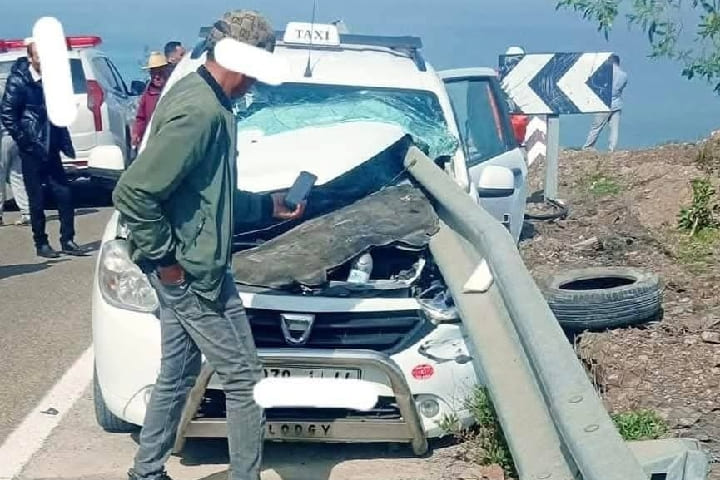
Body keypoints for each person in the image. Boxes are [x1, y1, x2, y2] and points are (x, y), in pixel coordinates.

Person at [113, 10, 303, 480]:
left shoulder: (202, 96)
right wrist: (166, 262)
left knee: (177, 374)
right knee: (244, 381)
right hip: (194, 276)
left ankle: (146, 472)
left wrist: (266, 207)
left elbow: (205, 194)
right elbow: (133, 192)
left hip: (190, 267)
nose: (257, 84)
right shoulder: (201, 113)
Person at [0, 40, 85, 258]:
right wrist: (24, 140)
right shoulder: (19, 81)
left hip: (53, 145)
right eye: (39, 56)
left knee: (64, 194)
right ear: (31, 58)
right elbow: (8, 114)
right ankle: (41, 243)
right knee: (36, 198)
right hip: (31, 148)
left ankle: (68, 240)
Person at [583, 54, 628, 152]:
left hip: (604, 103)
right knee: (614, 128)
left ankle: (588, 146)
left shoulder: (604, 72)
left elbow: (594, 84)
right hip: (617, 104)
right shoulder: (624, 75)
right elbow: (621, 88)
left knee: (596, 127)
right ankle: (612, 148)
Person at [131, 52, 170, 148]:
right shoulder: (147, 94)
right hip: (152, 142)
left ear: (167, 71)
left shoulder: (174, 91)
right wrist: (136, 133)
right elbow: (141, 118)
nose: (157, 76)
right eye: (153, 73)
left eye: (160, 72)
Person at [0, 120, 31, 226]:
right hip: (17, 137)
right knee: (17, 176)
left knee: (1, 177)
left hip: (3, 137)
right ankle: (27, 213)